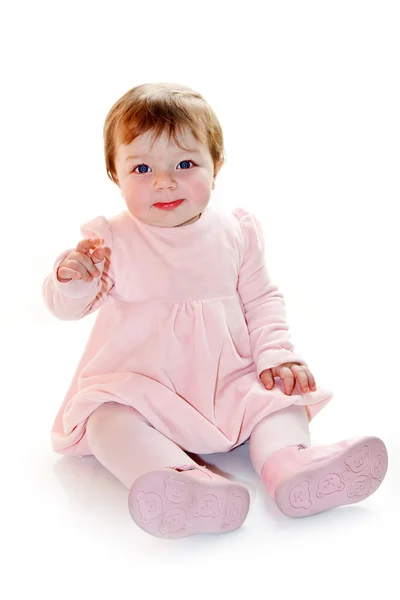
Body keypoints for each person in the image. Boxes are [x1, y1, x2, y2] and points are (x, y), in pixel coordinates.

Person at [42, 82, 388, 539]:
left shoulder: (236, 231)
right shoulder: (109, 241)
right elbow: (67, 307)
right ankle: (178, 481)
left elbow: (262, 299)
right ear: (115, 174)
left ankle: (290, 465)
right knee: (105, 419)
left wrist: (276, 356)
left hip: (226, 380)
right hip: (140, 386)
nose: (164, 181)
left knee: (278, 400)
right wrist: (73, 278)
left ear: (216, 166)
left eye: (185, 164)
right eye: (141, 167)